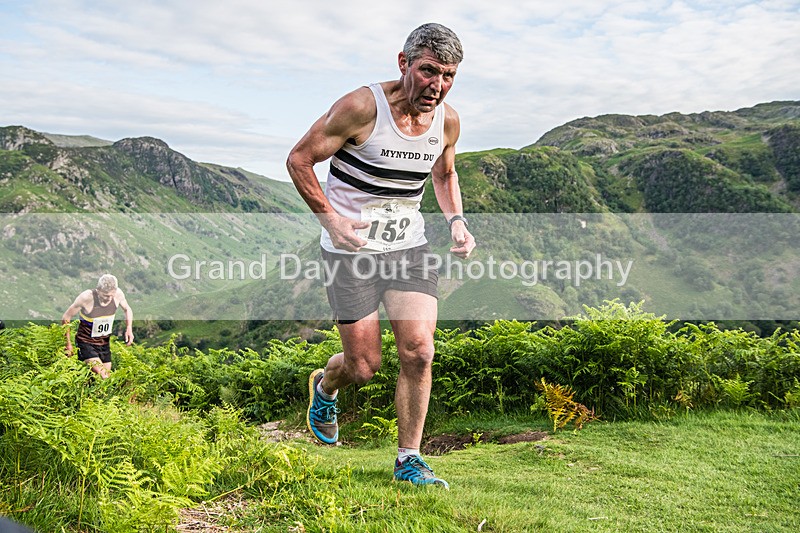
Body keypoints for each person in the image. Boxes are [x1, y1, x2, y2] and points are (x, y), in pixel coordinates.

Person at [286, 22, 475, 489]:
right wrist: (331, 220)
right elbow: (299, 159)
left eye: (448, 76)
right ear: (403, 63)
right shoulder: (361, 108)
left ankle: (409, 460)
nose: (437, 85)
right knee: (364, 367)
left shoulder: (447, 121)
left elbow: (444, 175)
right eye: (428, 71)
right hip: (351, 252)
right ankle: (326, 386)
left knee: (420, 351)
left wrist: (456, 220)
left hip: (408, 246)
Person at [62, 274, 134, 379]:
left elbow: (127, 309)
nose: (109, 298)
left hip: (104, 343)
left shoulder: (118, 294)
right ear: (98, 290)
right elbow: (66, 317)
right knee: (104, 376)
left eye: (111, 295)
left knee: (103, 379)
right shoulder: (86, 298)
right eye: (105, 295)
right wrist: (68, 343)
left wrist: (129, 328)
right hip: (85, 342)